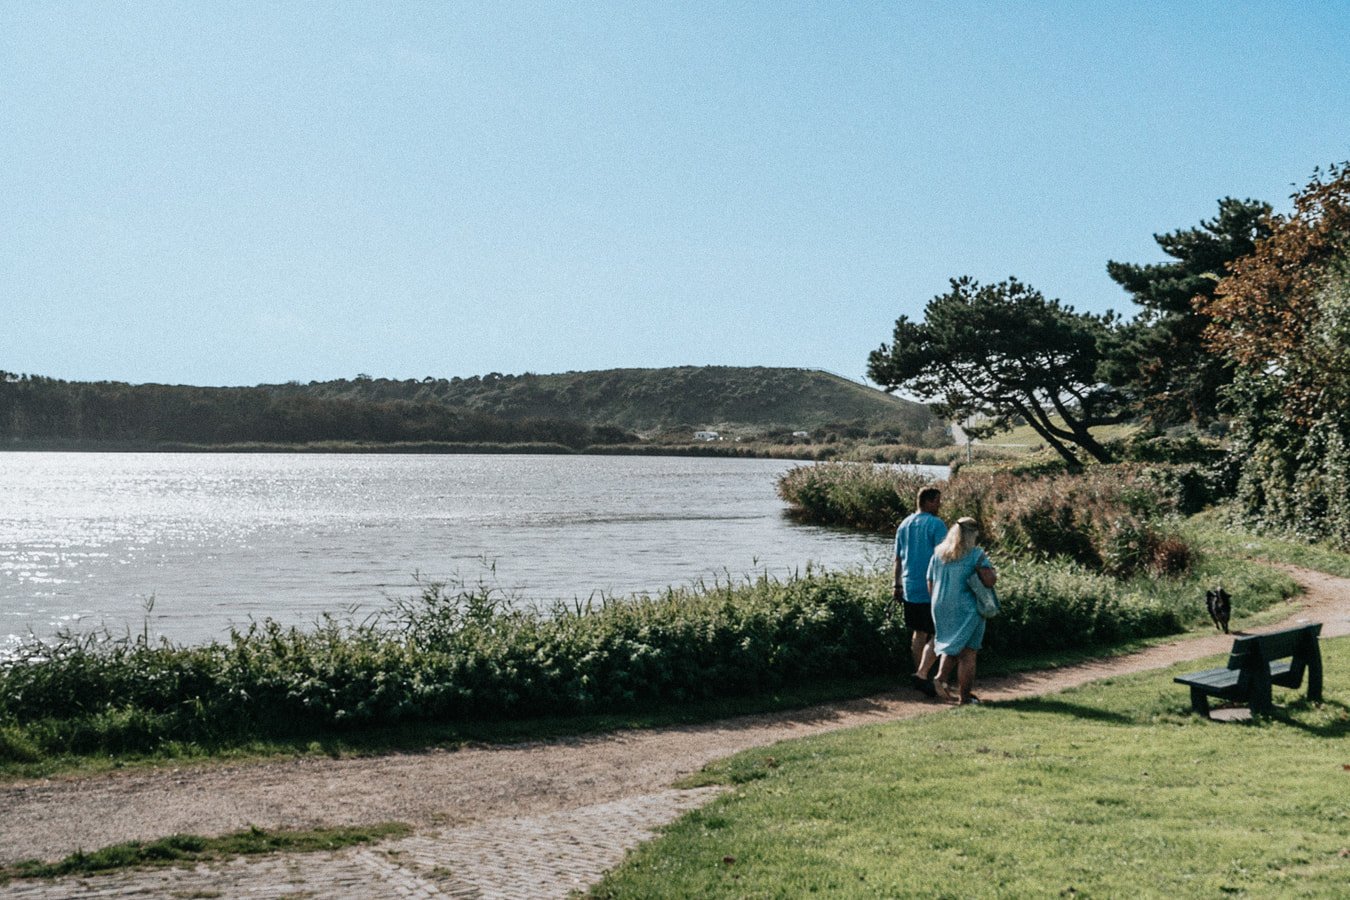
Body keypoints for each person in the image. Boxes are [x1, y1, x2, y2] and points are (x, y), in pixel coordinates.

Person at [927, 516, 996, 706]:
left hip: (940, 604)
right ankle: (961, 695)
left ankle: (941, 678)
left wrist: (936, 601)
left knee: (951, 643)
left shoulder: (939, 553)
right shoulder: (976, 555)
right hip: (967, 607)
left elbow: (930, 580)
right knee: (969, 653)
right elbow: (989, 581)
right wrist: (993, 571)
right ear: (973, 534)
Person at [893, 486, 946, 696]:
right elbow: (943, 556)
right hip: (931, 586)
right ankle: (926, 673)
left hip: (910, 586)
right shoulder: (936, 524)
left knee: (918, 632)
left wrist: (897, 584)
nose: (940, 505)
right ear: (929, 501)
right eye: (938, 501)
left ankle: (919, 673)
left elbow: (898, 559)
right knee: (939, 631)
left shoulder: (904, 524)